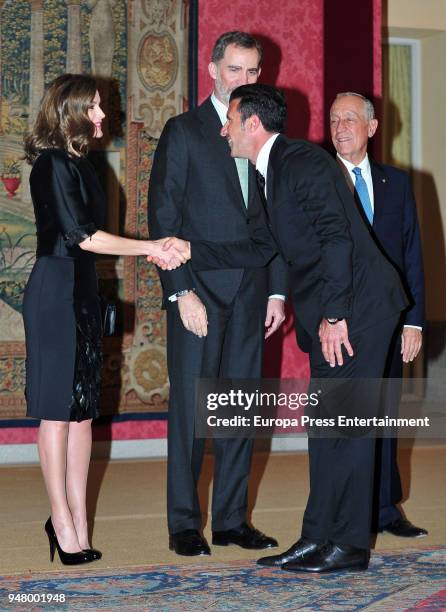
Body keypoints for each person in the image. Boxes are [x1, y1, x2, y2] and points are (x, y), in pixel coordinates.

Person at [158, 83, 409, 572]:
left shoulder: (302, 162)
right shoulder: (267, 172)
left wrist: (335, 316)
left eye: (229, 121)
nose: (223, 128)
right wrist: (190, 250)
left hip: (361, 310)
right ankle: (316, 538)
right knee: (324, 429)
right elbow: (259, 247)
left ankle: (351, 545)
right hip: (334, 313)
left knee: (349, 431)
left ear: (252, 124)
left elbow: (337, 237)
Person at [22, 74, 184, 566]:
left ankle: (78, 520)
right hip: (54, 291)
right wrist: (153, 248)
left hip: (84, 292)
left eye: (99, 107)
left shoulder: (85, 167)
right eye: (92, 108)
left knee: (83, 411)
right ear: (68, 112)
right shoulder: (50, 165)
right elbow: (81, 236)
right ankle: (61, 519)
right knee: (56, 411)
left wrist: (151, 247)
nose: (101, 116)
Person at [148, 32, 288, 557]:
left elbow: (274, 220)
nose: (246, 80)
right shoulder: (183, 132)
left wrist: (277, 291)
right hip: (198, 296)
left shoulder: (263, 131)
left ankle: (231, 520)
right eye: (236, 70)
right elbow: (163, 220)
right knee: (191, 415)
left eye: (254, 71)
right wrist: (179, 291)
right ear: (212, 70)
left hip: (252, 295)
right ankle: (185, 524)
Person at [329, 92, 427, 538]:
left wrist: (413, 320)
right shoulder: (320, 180)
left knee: (385, 414)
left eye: (350, 118)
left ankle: (386, 509)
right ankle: (345, 513)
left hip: (390, 320)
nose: (340, 127)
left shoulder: (398, 184)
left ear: (371, 127)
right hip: (341, 321)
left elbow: (412, 256)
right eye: (334, 119)